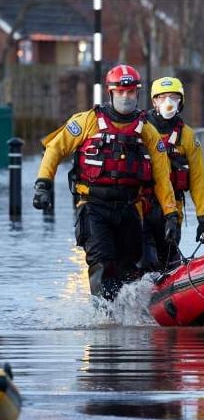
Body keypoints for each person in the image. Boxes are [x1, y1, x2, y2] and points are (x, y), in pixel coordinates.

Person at [32, 64, 178, 300]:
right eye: (121, 92)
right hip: (93, 207)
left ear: (138, 93)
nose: (126, 97)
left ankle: (126, 318)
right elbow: (54, 149)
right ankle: (103, 321)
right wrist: (43, 183)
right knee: (102, 264)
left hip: (129, 208)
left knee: (129, 269)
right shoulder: (87, 121)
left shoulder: (147, 131)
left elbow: (162, 177)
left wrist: (171, 216)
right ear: (110, 92)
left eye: (131, 92)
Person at [139, 77, 204, 271]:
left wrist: (203, 219)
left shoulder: (187, 137)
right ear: (154, 101)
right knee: (144, 260)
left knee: (168, 260)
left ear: (181, 102)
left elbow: (198, 179)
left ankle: (170, 292)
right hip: (141, 206)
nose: (168, 103)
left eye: (173, 97)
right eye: (162, 97)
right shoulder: (140, 128)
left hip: (172, 212)